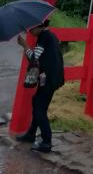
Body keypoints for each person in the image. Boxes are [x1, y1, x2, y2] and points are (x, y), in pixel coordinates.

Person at [16, 19, 64, 153]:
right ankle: (31, 134)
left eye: (31, 29)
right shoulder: (50, 35)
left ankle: (46, 141)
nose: (30, 31)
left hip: (48, 79)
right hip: (52, 77)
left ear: (39, 26)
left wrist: (25, 45)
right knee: (37, 102)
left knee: (39, 109)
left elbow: (34, 58)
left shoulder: (44, 36)